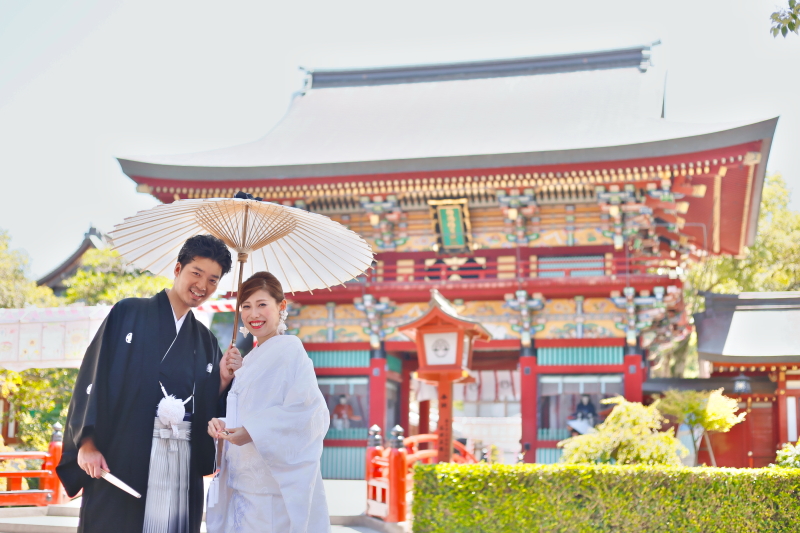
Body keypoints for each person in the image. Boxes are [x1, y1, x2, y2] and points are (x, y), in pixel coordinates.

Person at [57, 235, 243, 533]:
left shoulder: (206, 341)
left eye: (213, 280)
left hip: (179, 468)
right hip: (122, 456)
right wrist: (87, 443)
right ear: (178, 268)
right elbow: (94, 377)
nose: (202, 286)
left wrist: (221, 380)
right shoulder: (128, 313)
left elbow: (207, 409)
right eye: (196, 273)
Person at [206, 272, 330, 533]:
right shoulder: (249, 359)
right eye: (246, 306)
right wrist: (223, 425)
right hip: (242, 487)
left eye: (262, 304)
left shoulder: (291, 350)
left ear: (281, 306)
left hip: (271, 492)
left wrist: (252, 431)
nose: (254, 314)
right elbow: (250, 412)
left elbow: (308, 413)